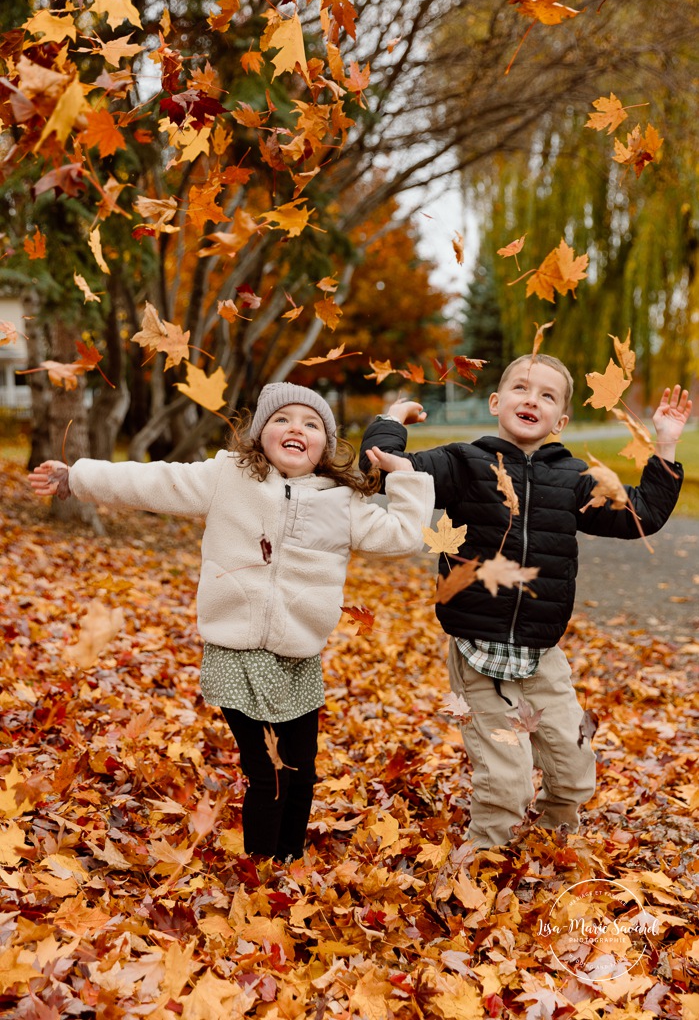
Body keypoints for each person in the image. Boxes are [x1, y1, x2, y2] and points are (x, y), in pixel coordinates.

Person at [30, 382, 435, 863]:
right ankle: (261, 870)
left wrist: (407, 478)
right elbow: (155, 482)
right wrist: (78, 477)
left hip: (298, 658)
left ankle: (288, 860)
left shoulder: (340, 502)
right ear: (261, 432)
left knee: (300, 769)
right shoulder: (229, 477)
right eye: (283, 420)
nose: (296, 429)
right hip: (236, 652)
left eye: (311, 424)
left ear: (325, 444)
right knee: (267, 769)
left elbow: (405, 536)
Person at [360, 354, 692, 849]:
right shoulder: (464, 463)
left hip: (542, 650)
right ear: (497, 402)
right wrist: (389, 425)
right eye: (520, 388)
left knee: (574, 765)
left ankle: (554, 838)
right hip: (479, 648)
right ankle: (484, 858)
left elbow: (639, 516)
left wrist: (664, 444)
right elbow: (392, 471)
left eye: (547, 395)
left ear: (561, 420)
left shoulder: (575, 480)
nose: (530, 399)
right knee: (507, 776)